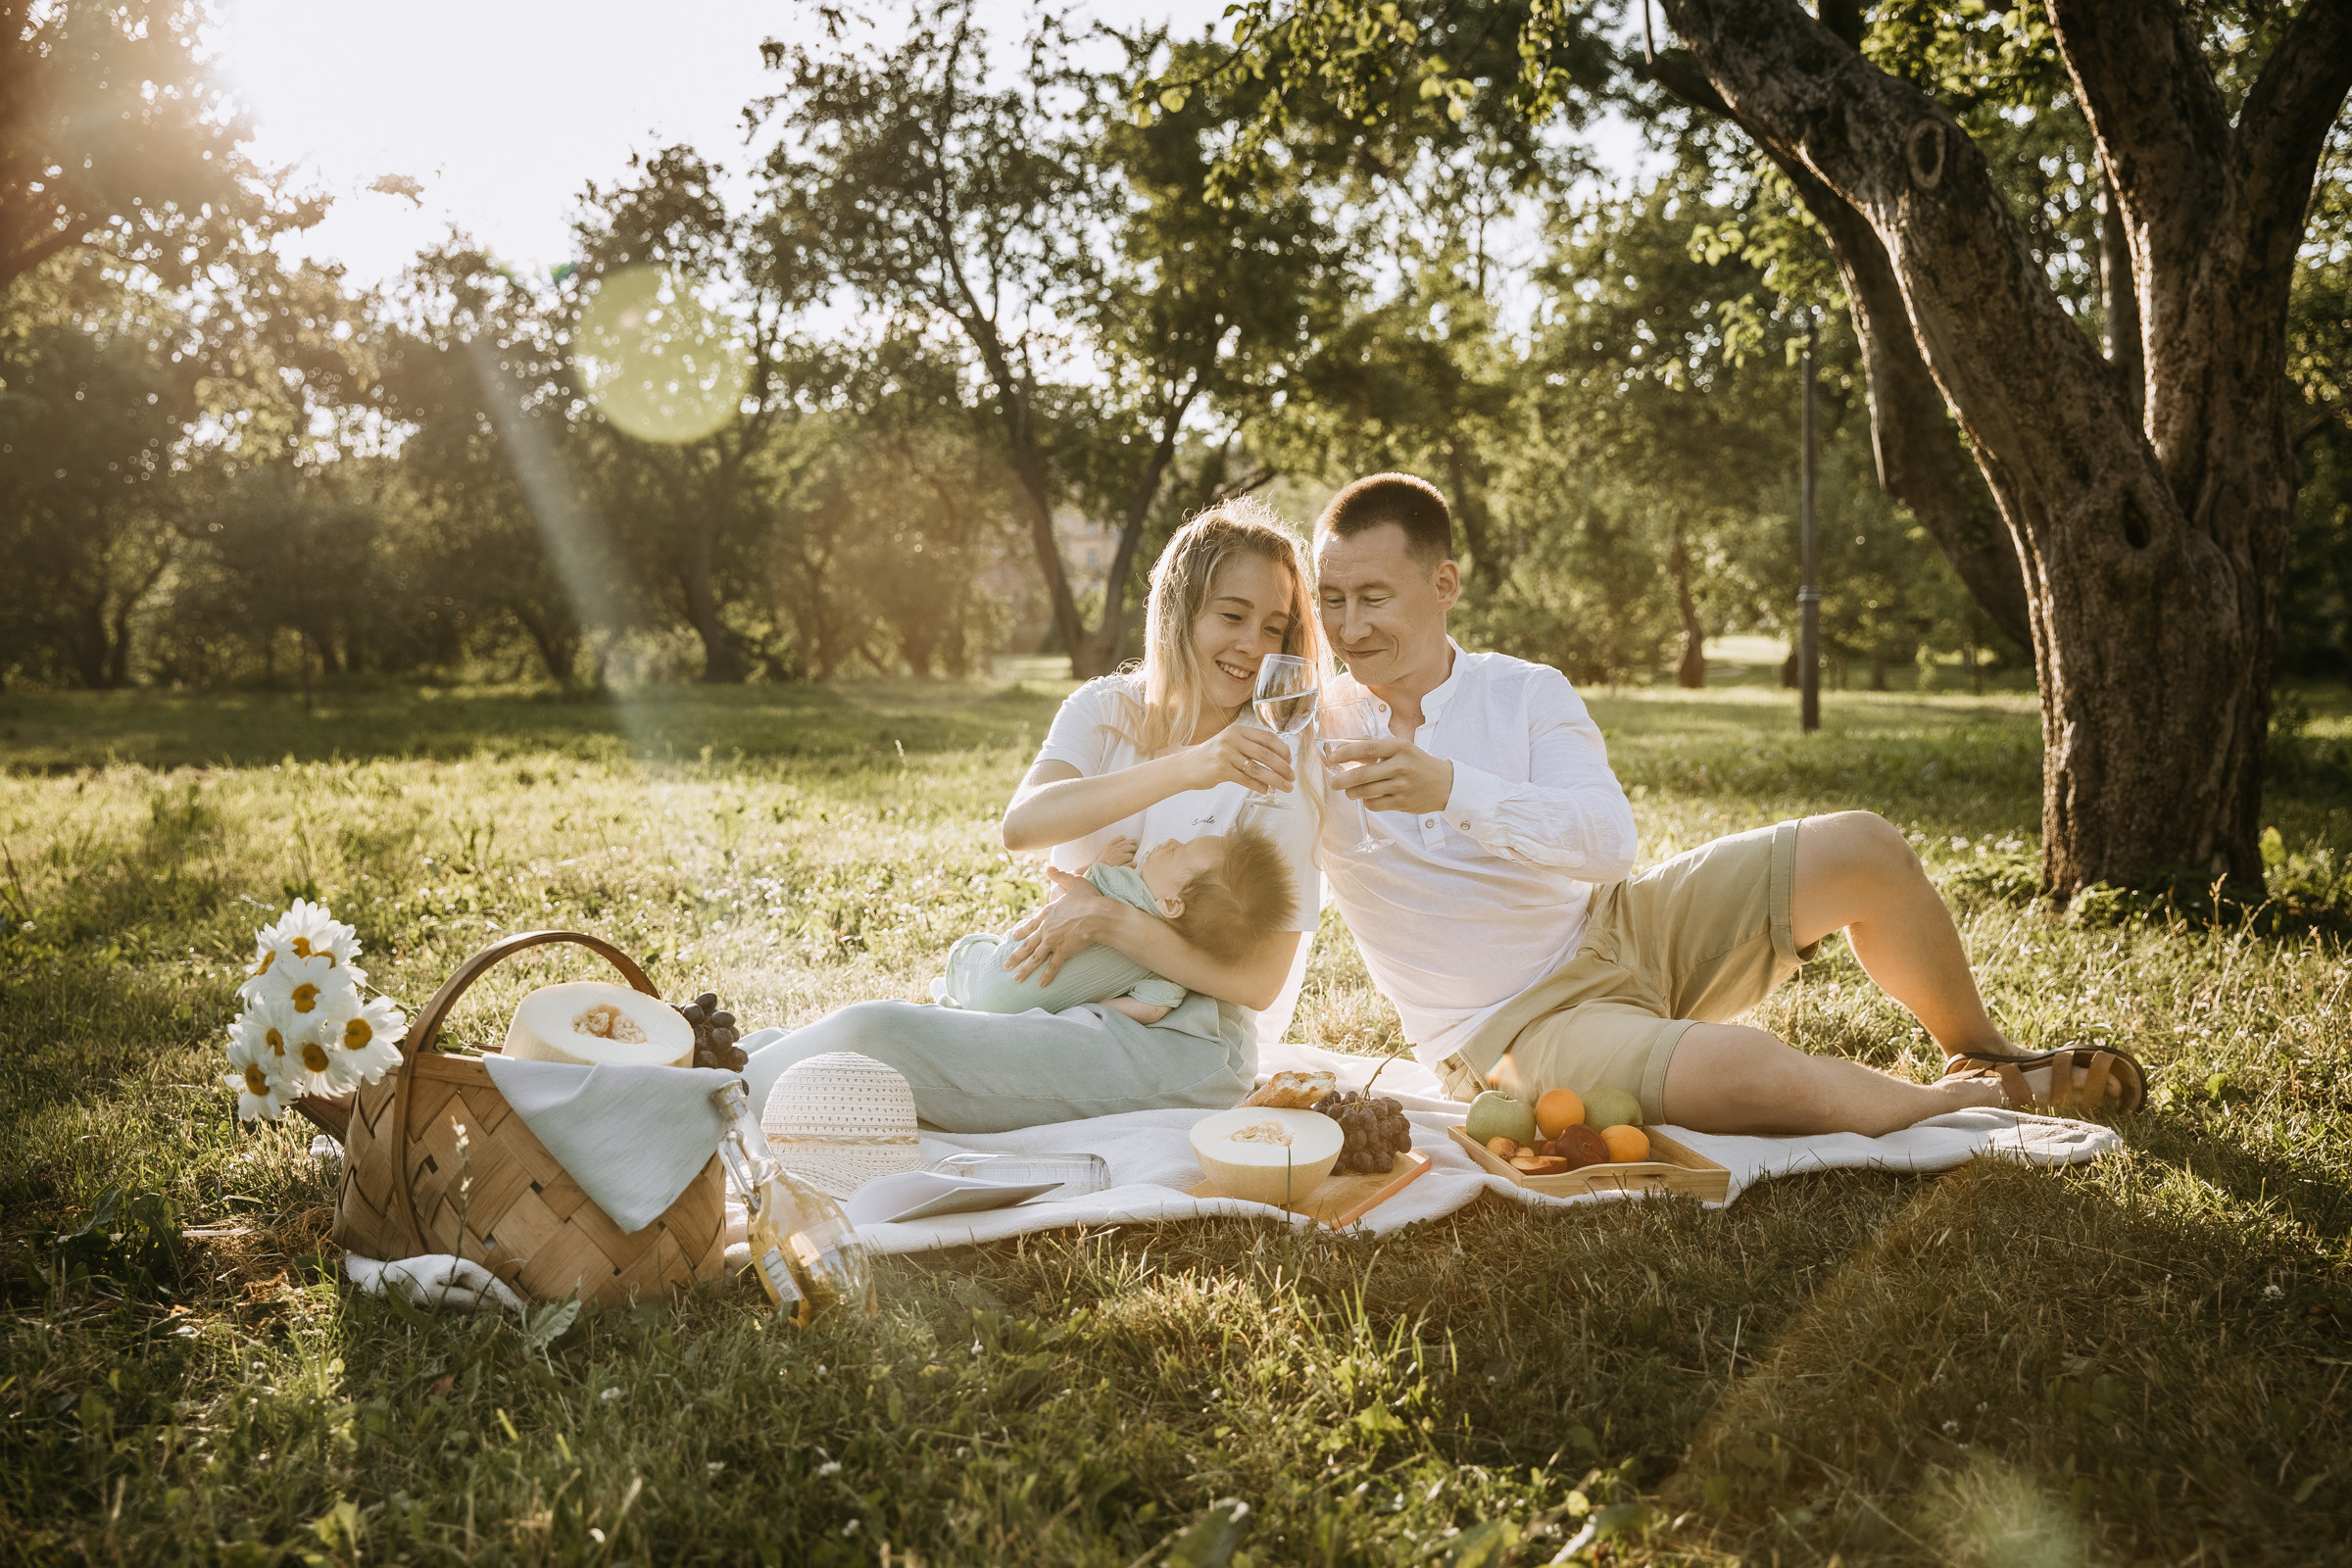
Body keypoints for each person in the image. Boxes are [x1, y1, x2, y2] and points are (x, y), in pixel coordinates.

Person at [1309, 471, 2145, 1136]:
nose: (1348, 628)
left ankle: (1983, 1053)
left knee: (1865, 847)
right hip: (1512, 1035)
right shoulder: (1307, 731)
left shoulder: (1525, 691)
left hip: (1620, 928)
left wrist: (1450, 787)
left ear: (1444, 582)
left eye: (1372, 597)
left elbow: (1607, 844)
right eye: (1331, 599)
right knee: (1755, 1073)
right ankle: (1966, 1104)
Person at [742, 500, 1328, 1131]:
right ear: (1180, 611)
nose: (1252, 646)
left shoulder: (1276, 764)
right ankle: (698, 1067)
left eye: (1274, 628)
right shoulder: (1104, 710)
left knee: (876, 1036)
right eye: (1233, 616)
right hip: (1059, 1000)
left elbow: (1260, 984)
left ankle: (707, 1099)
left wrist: (1110, 920)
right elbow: (1022, 827)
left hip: (1183, 1043)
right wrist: (1190, 766)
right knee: (830, 1034)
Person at [933, 824, 1295, 1024]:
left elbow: (1058, 907)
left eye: (1176, 850)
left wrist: (1096, 867)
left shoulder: (1120, 881)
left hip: (993, 976)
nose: (1168, 839)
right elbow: (1151, 1011)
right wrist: (1089, 1006)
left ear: (1171, 904)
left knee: (973, 948)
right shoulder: (1170, 969)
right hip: (1027, 1018)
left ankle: (956, 990)